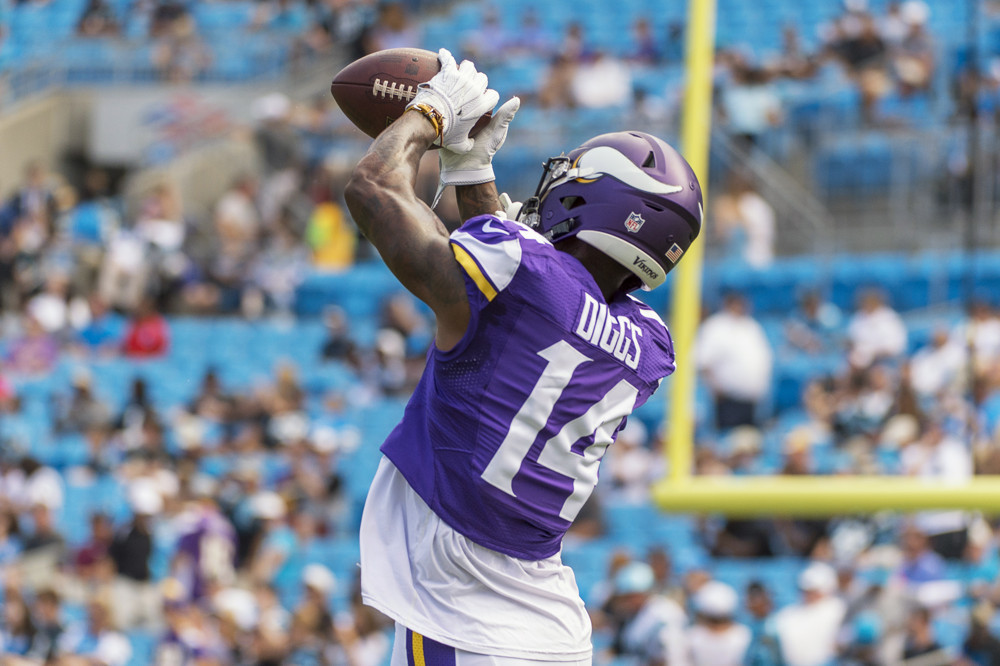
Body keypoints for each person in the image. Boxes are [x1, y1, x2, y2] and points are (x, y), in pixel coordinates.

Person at [346, 48, 702, 663]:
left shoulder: (523, 270)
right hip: (542, 620)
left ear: (597, 203)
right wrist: (468, 170)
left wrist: (429, 114)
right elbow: (525, 297)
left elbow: (372, 189)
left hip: (466, 607)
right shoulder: (648, 341)